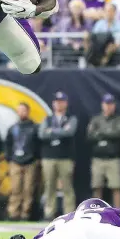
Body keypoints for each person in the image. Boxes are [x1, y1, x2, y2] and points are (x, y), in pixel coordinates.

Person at [38, 91, 78, 220]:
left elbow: (70, 132)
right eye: (57, 102)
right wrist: (61, 131)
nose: (59, 104)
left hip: (65, 157)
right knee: (49, 187)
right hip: (49, 157)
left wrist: (52, 131)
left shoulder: (71, 118)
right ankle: (49, 213)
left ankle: (69, 214)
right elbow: (42, 134)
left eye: (62, 101)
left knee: (67, 187)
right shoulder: (48, 119)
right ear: (53, 103)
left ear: (66, 103)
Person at [87, 94, 120, 208]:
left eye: (111, 104)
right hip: (98, 158)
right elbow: (90, 136)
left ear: (114, 105)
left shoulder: (119, 119)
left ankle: (118, 212)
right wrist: (107, 133)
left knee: (116, 186)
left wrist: (100, 132)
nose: (108, 107)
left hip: (113, 159)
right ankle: (96, 212)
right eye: (106, 104)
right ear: (102, 105)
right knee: (97, 187)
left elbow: (117, 133)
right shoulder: (96, 119)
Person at [5, 103, 39, 221]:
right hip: (15, 162)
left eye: (24, 110)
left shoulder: (34, 127)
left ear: (28, 111)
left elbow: (38, 145)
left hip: (30, 162)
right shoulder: (13, 128)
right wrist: (10, 159)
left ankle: (26, 214)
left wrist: (35, 158)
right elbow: (8, 145)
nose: (22, 113)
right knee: (15, 189)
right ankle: (13, 213)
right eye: (19, 110)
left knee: (28, 189)